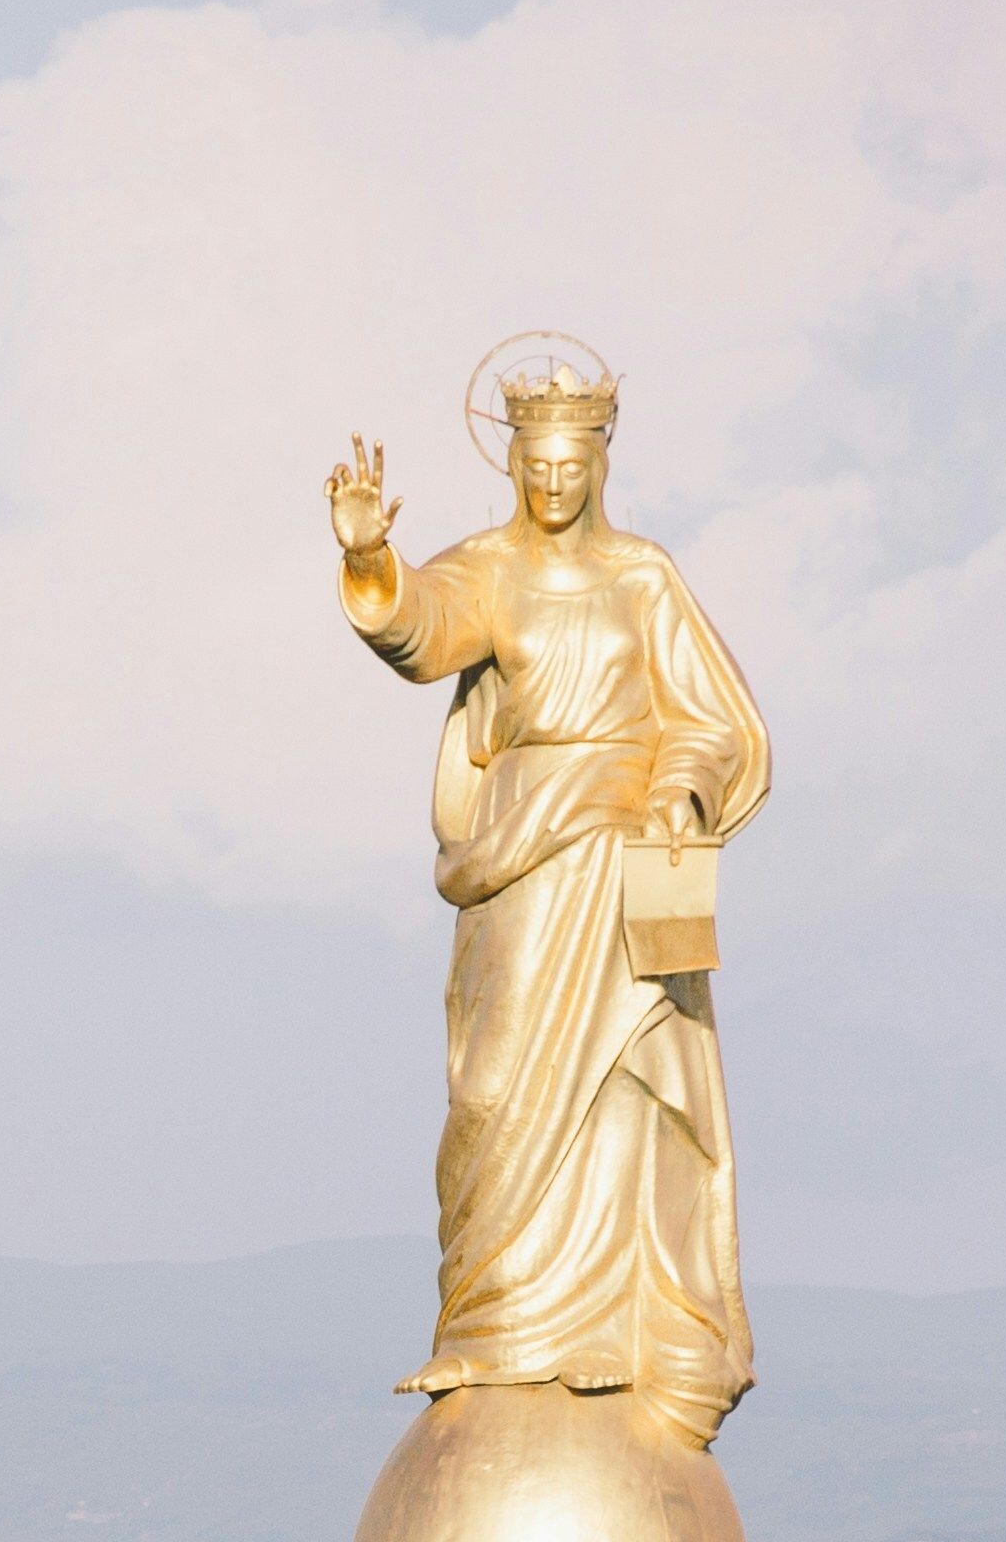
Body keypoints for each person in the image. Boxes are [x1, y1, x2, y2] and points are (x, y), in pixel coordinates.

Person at [323, 348, 770, 1441]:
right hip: (519, 855)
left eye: (573, 467)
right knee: (499, 1084)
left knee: (623, 1080)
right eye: (537, 467)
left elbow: (712, 722)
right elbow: (423, 632)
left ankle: (618, 1326)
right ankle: (495, 1321)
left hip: (624, 856)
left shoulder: (643, 578)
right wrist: (375, 557)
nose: (555, 487)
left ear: (599, 462)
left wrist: (675, 791)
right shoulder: (490, 569)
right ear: (513, 464)